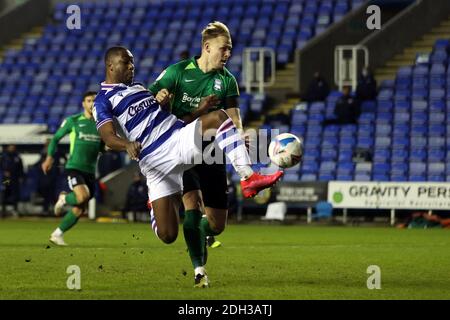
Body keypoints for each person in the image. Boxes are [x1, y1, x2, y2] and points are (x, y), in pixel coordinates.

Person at [94, 46, 283, 288]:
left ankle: (248, 177)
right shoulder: (103, 100)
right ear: (110, 66)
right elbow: (108, 137)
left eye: (132, 62)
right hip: (155, 162)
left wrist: (185, 108)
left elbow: (168, 120)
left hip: (177, 139)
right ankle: (156, 206)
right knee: (168, 235)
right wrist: (126, 144)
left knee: (218, 117)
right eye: (125, 62)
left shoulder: (140, 89)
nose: (131, 67)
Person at [148, 21, 242, 283]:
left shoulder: (227, 81)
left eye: (230, 50)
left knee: (216, 224)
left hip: (213, 155)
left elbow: (233, 116)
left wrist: (240, 135)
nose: (228, 54)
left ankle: (203, 233)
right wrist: (159, 98)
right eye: (224, 49)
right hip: (181, 149)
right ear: (207, 47)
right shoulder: (177, 72)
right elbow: (148, 100)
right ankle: (199, 270)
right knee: (192, 205)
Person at [42, 91, 104, 246]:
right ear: (83, 103)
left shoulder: (102, 124)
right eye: (88, 100)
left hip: (90, 170)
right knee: (82, 197)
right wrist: (49, 157)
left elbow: (103, 146)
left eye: (94, 101)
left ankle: (57, 234)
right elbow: (55, 138)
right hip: (74, 167)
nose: (91, 103)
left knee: (79, 208)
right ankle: (63, 198)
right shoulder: (73, 121)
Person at [1, 144, 24, 216]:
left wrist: (21, 177)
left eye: (13, 148)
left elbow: (21, 168)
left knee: (15, 194)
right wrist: (4, 172)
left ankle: (15, 210)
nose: (12, 149)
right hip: (6, 179)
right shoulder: (4, 156)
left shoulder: (17, 156)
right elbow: (1, 167)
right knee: (4, 193)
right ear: (8, 148)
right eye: (10, 148)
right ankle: (3, 210)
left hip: (15, 178)